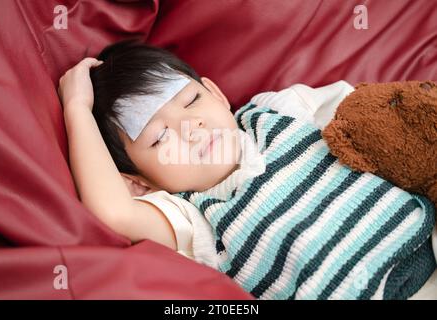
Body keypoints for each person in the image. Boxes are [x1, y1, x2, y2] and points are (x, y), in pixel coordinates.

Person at [58, 39, 437, 299]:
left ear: (218, 94)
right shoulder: (193, 218)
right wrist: (76, 108)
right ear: (137, 182)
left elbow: (381, 117)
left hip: (423, 236)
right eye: (159, 138)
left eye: (191, 101)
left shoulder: (278, 111)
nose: (191, 130)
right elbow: (113, 212)